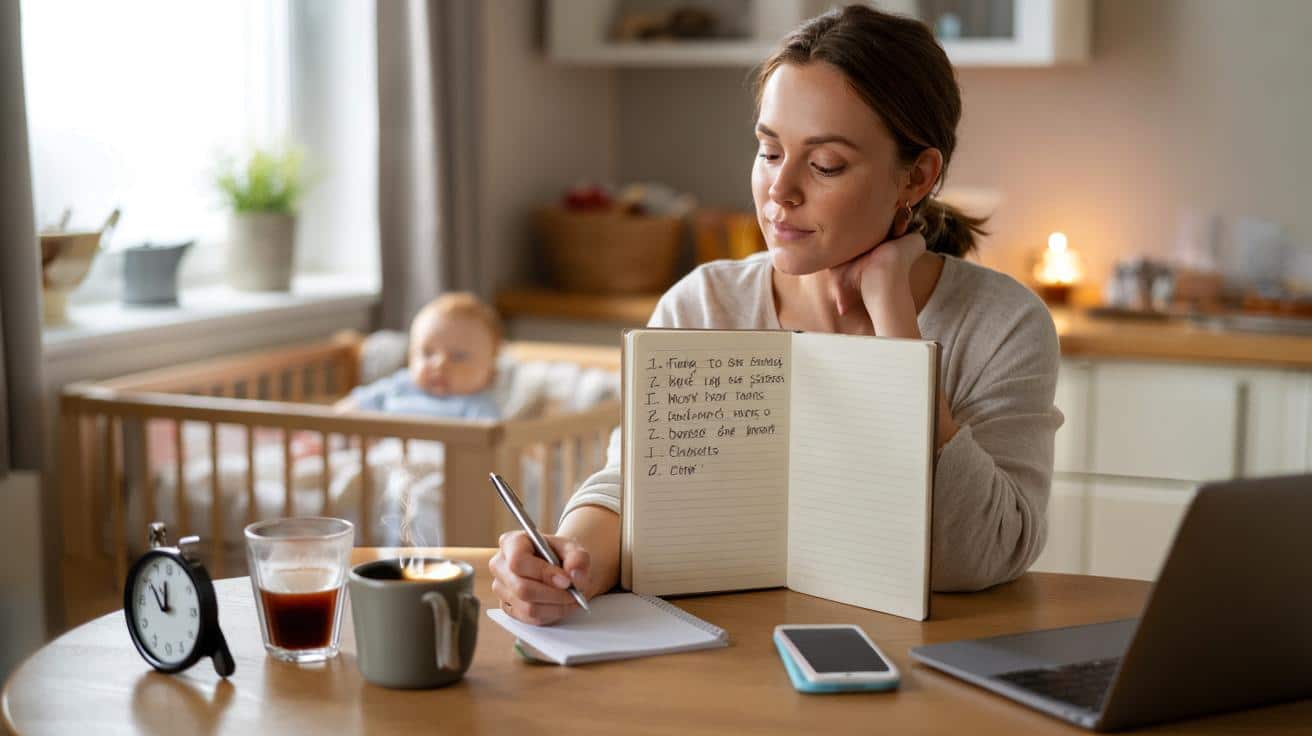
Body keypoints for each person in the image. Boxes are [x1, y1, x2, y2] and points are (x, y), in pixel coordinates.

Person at [491, 4, 1063, 625]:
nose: (779, 191)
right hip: (721, 663)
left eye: (825, 165)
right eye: (769, 152)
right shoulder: (703, 305)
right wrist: (571, 557)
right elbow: (632, 489)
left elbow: (978, 557)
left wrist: (897, 330)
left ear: (917, 177)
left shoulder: (1003, 326)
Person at [335, 292, 502, 420]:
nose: (439, 364)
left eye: (458, 356)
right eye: (427, 353)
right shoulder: (399, 386)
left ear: (489, 373)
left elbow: (492, 449)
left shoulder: (477, 407)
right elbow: (352, 406)